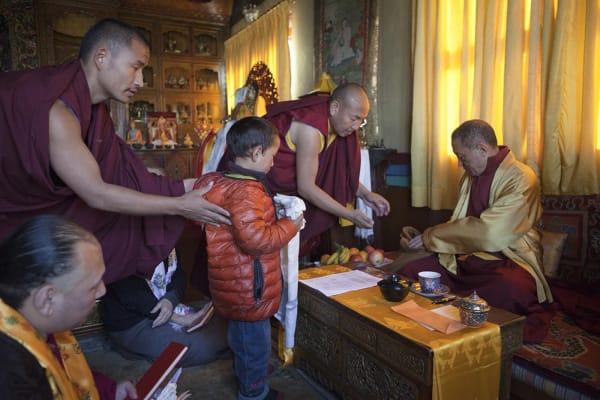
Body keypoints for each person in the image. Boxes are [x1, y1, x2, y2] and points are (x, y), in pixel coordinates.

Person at [0, 18, 230, 284]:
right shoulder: (59, 113)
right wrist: (179, 205)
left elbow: (123, 172)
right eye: (135, 67)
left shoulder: (96, 111)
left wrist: (186, 186)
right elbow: (96, 193)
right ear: (101, 57)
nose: (141, 81)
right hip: (16, 221)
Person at [398, 119, 553, 342]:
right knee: (413, 272)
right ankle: (429, 326)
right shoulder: (471, 176)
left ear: (482, 149)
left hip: (508, 258)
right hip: (468, 258)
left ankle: (453, 326)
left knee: (509, 288)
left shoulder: (521, 178)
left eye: (462, 157)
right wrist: (427, 238)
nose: (460, 165)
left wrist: (431, 236)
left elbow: (490, 232)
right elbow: (460, 222)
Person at [195, 117, 304, 400]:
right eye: (272, 156)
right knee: (253, 343)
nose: (273, 163)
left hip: (235, 284)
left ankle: (250, 373)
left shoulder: (223, 182)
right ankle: (253, 392)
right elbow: (256, 241)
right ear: (256, 152)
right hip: (248, 289)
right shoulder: (246, 192)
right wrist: (292, 225)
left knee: (243, 340)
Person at [0, 215, 136, 400]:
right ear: (47, 300)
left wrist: (108, 391)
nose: (102, 291)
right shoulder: (13, 378)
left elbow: (66, 373)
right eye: (93, 286)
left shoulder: (29, 316)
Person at [260, 82, 390, 254]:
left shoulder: (335, 127)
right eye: (354, 118)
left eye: (361, 121)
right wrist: (349, 214)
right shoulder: (311, 129)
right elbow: (306, 188)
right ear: (335, 107)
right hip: (264, 195)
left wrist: (366, 194)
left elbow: (337, 173)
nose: (356, 127)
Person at [100, 248, 230, 367]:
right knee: (195, 347)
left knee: (226, 329)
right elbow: (134, 298)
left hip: (167, 308)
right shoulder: (123, 248)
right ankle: (128, 347)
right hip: (135, 322)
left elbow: (178, 274)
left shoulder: (165, 238)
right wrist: (180, 319)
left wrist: (170, 299)